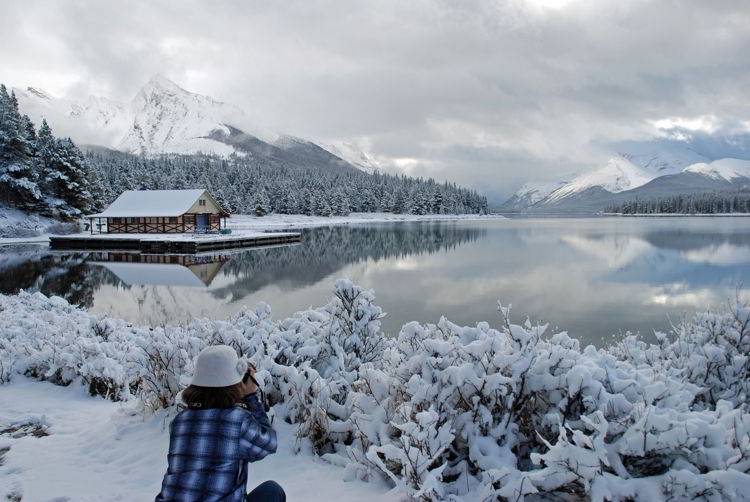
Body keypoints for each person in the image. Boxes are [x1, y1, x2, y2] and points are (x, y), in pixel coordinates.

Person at [155, 345, 285, 502]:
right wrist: (250, 396)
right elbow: (268, 443)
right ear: (234, 384)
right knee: (272, 491)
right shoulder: (237, 421)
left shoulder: (180, 421)